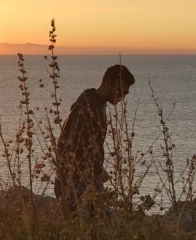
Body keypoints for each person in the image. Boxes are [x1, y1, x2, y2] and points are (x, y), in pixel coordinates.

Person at [54, 63, 135, 208]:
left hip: (75, 180)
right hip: (75, 183)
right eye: (120, 91)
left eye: (125, 93)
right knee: (100, 224)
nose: (122, 96)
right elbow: (75, 147)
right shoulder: (91, 108)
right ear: (107, 83)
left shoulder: (91, 102)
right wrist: (97, 172)